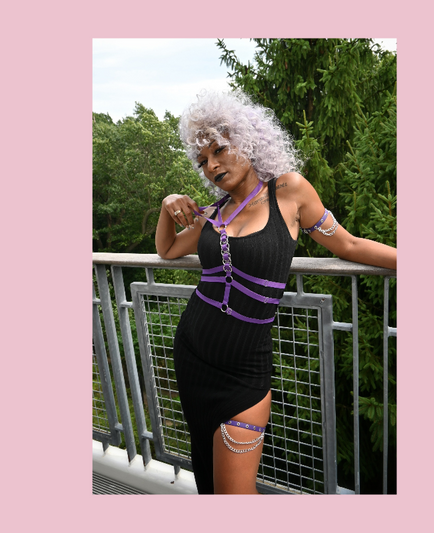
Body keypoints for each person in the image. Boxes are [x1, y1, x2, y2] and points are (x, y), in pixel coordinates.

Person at [155, 90, 396, 494]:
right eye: (202, 160)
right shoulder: (212, 214)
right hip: (192, 356)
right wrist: (167, 206)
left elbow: (348, 244)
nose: (212, 165)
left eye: (219, 150)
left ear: (246, 140)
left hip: (245, 370)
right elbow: (167, 249)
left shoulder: (289, 191)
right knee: (208, 482)